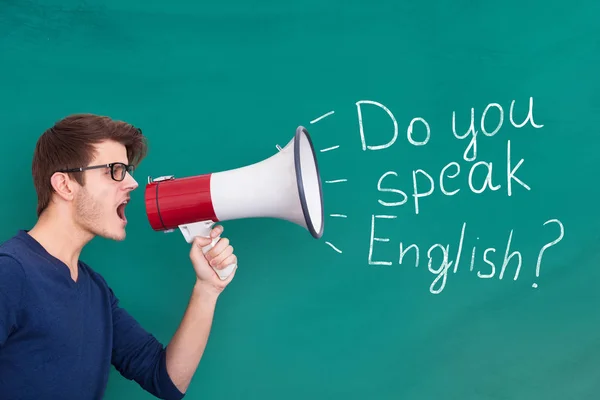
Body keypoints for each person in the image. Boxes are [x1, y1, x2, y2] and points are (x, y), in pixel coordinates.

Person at [0, 114, 237, 399]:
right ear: (64, 185)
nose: (133, 183)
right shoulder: (9, 273)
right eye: (114, 170)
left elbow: (166, 380)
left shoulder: (94, 290)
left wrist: (207, 289)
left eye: (128, 170)